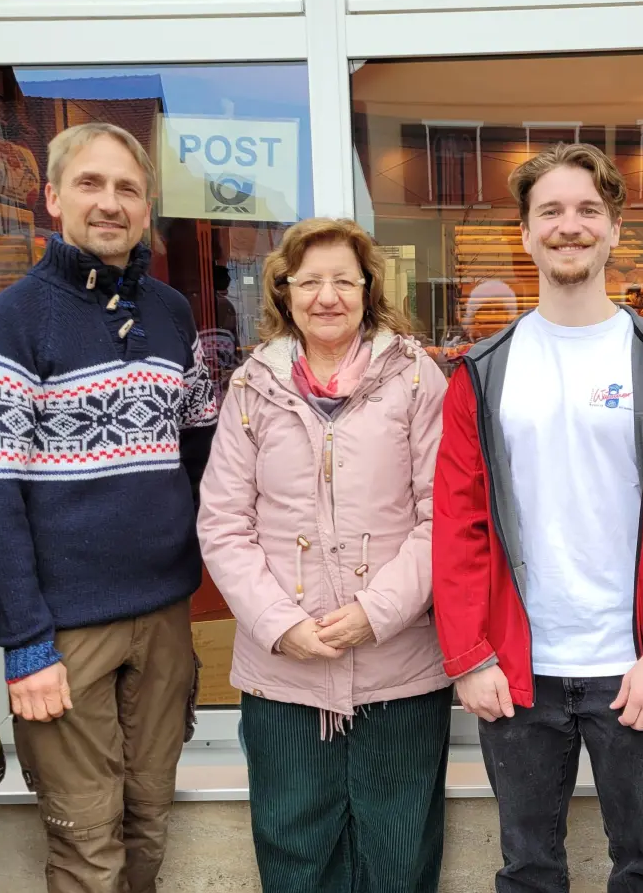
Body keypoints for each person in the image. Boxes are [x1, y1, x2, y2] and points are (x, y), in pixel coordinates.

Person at [433, 142, 643, 892]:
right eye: (551, 212)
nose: (570, 226)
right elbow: (460, 525)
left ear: (614, 228)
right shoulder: (483, 373)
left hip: (635, 666)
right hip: (517, 671)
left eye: (588, 210)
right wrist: (469, 655)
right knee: (528, 869)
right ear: (526, 233)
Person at [0, 122, 218, 893]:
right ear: (52, 198)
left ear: (147, 206)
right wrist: (25, 642)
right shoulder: (13, 320)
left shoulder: (171, 314)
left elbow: (201, 455)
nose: (110, 203)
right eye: (90, 184)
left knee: (148, 817)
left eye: (127, 188)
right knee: (86, 838)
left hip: (164, 615)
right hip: (66, 629)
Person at [196, 217, 452, 892]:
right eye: (310, 281)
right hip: (284, 674)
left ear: (369, 289)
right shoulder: (252, 386)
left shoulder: (417, 379)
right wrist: (280, 624)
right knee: (295, 856)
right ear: (284, 292)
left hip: (399, 669)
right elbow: (223, 523)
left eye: (345, 280)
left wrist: (377, 612)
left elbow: (446, 517)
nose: (328, 296)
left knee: (399, 854)